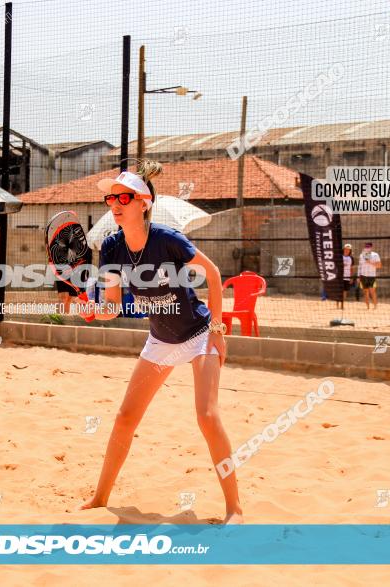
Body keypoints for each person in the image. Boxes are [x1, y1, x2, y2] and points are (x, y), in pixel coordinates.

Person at [78, 160, 243, 524]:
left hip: (198, 334)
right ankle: (100, 496)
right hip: (161, 339)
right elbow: (112, 308)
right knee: (125, 418)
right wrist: (93, 310)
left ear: (144, 203)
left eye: (124, 196)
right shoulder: (111, 248)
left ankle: (234, 509)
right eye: (111, 197)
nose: (115, 202)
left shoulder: (167, 239)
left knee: (207, 416)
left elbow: (213, 275)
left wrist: (217, 331)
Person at [357, 242, 382, 309]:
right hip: (363, 275)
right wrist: (358, 276)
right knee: (365, 292)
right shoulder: (361, 255)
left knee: (372, 291)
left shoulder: (375, 255)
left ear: (371, 247)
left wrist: (370, 262)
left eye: (368, 247)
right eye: (366, 247)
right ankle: (368, 308)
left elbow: (379, 265)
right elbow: (359, 266)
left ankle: (375, 306)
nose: (367, 248)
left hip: (371, 276)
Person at [338, 243, 354, 309]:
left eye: (348, 250)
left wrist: (351, 277)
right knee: (339, 290)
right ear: (344, 249)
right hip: (339, 276)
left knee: (345, 291)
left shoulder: (351, 258)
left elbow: (351, 268)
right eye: (346, 249)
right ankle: (337, 304)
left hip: (347, 276)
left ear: (350, 251)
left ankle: (342, 305)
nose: (347, 250)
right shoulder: (339, 256)